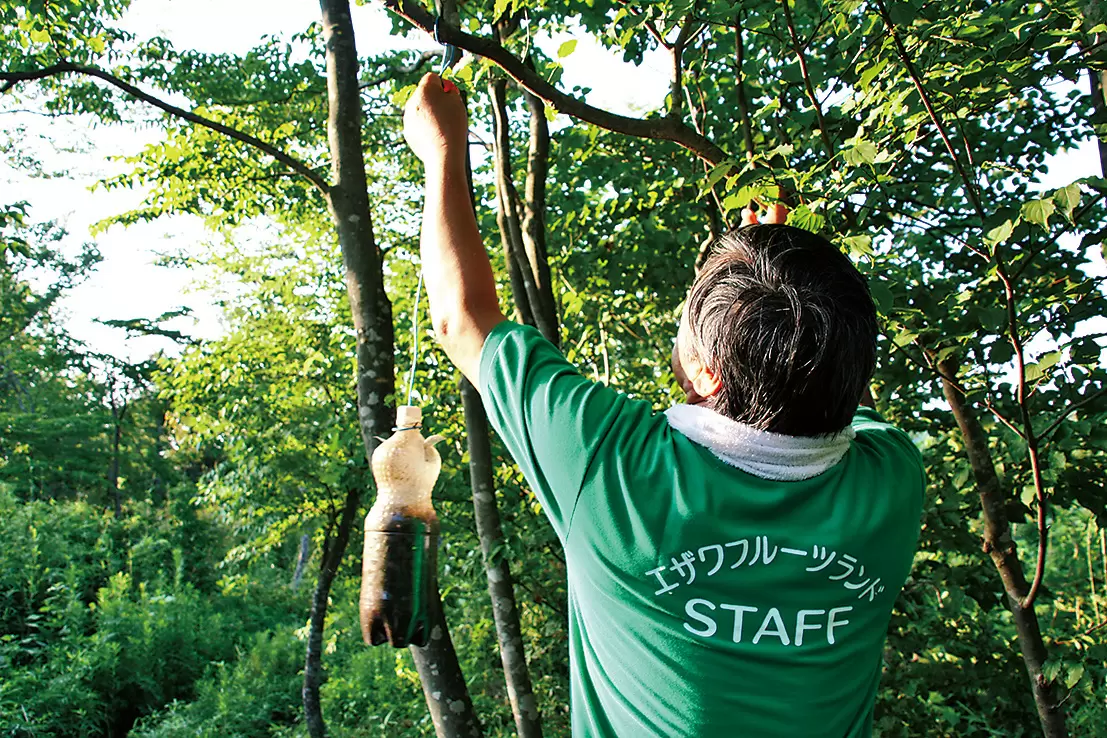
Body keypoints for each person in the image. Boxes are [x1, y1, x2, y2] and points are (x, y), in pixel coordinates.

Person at [402, 72, 925, 737]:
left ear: (705, 373)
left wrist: (440, 149)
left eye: (688, 316)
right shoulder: (892, 480)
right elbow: (835, 393)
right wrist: (778, 289)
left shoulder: (613, 467)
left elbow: (461, 319)